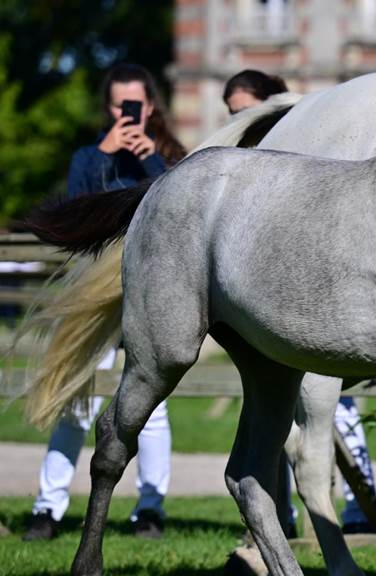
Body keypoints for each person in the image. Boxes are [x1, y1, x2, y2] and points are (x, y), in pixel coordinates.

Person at [23, 62, 186, 542]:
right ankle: (47, 509)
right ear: (108, 107)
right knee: (76, 401)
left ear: (151, 106)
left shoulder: (170, 157)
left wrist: (152, 161)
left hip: (147, 297)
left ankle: (149, 510)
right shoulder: (87, 156)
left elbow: (181, 216)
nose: (127, 112)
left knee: (151, 411)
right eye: (119, 104)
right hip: (92, 300)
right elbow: (75, 217)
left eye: (134, 104)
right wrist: (103, 155)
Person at [222, 69, 376, 534]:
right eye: (232, 115)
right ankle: (283, 518)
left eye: (245, 111)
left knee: (334, 416)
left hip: (325, 305)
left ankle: (354, 510)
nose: (237, 122)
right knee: (277, 416)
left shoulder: (305, 142)